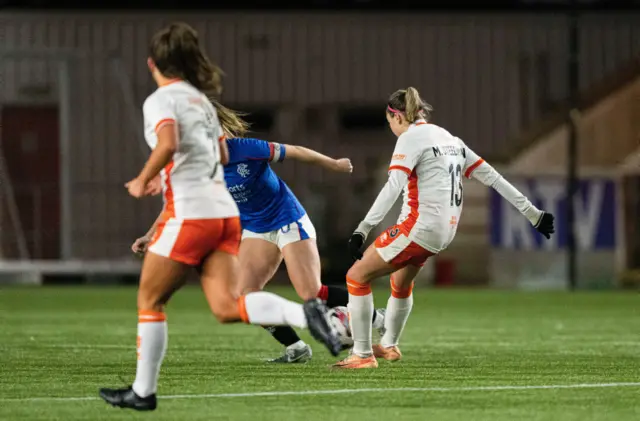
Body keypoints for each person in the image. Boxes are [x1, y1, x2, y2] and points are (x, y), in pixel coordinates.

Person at [98, 22, 341, 412]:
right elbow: (222, 158)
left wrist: (144, 179)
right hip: (226, 218)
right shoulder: (202, 104)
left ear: (152, 64)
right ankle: (306, 314)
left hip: (193, 215)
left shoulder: (161, 100)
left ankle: (143, 393)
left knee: (150, 299)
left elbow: (168, 143)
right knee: (229, 305)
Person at [333, 87, 555, 369]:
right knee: (401, 283)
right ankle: (389, 346)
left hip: (419, 228)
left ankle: (363, 355)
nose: (391, 128)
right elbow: (494, 178)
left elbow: (392, 188)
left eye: (390, 122)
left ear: (396, 116)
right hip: (444, 232)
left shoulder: (410, 139)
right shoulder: (451, 140)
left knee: (356, 276)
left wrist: (363, 229)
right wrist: (533, 214)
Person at [134, 136, 387, 363]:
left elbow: (296, 150)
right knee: (245, 294)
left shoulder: (244, 148)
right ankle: (296, 348)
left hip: (288, 219)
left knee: (311, 292)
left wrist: (334, 164)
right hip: (256, 229)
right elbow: (177, 205)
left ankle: (376, 318)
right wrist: (149, 234)